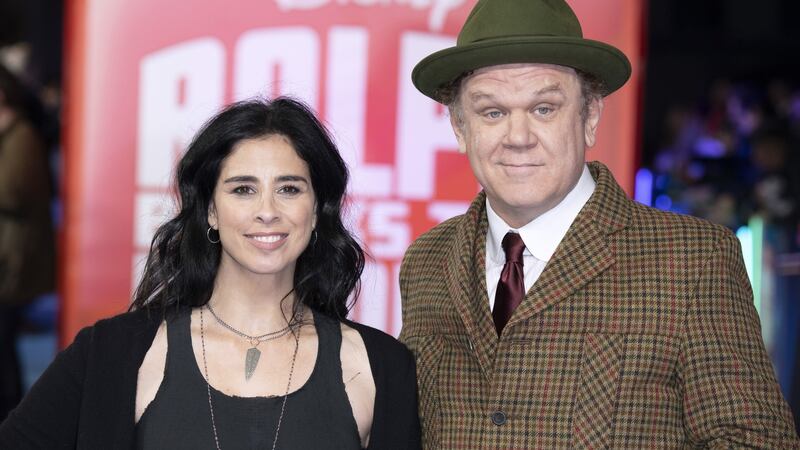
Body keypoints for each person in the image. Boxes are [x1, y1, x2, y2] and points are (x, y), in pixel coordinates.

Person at [398, 0, 800, 448]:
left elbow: (755, 441)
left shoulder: (693, 259)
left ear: (590, 117)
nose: (517, 137)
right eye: (492, 112)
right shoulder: (427, 261)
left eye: (544, 109)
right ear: (459, 127)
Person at [0, 97, 421, 449]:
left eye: (289, 188)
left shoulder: (379, 367)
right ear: (210, 211)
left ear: (317, 212)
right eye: (243, 189)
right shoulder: (113, 353)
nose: (267, 211)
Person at [0, 63, 55, 422]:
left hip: (14, 260)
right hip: (9, 255)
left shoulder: (22, 136)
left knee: (4, 346)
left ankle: (12, 416)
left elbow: (15, 192)